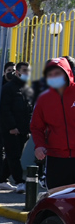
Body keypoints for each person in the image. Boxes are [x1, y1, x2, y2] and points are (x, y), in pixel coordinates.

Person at [31, 58, 75, 189]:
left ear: (67, 72)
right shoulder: (44, 99)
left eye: (57, 73)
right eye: (50, 74)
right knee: (56, 197)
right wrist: (39, 145)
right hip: (56, 158)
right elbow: (36, 126)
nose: (53, 77)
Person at [0, 62, 33, 192]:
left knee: (13, 156)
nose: (27, 73)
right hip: (11, 130)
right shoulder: (8, 88)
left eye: (28, 70)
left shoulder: (27, 89)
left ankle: (1, 180)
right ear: (17, 72)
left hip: (23, 130)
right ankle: (19, 182)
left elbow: (29, 109)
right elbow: (4, 110)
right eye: (24, 70)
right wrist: (11, 126)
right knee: (13, 156)